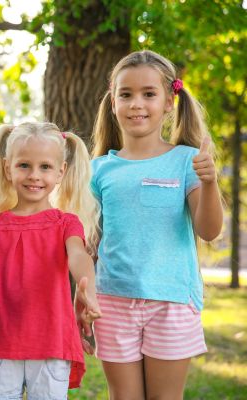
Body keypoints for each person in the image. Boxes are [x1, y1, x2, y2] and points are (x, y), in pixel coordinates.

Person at [91, 50, 223, 399]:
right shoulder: (99, 169)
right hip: (113, 300)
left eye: (149, 94)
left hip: (172, 300)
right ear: (113, 100)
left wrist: (209, 183)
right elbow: (89, 241)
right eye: (126, 94)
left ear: (168, 101)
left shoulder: (186, 161)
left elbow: (209, 231)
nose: (137, 104)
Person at [0, 122, 101, 399]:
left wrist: (88, 288)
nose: (34, 176)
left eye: (45, 167)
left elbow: (78, 254)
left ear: (60, 171)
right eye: (24, 165)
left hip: (51, 344)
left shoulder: (66, 223)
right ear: (7, 168)